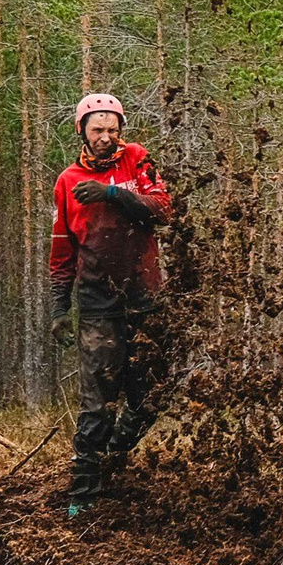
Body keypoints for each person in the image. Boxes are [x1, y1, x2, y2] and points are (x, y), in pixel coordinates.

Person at [47, 92, 171, 512]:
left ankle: (115, 460)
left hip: (145, 295)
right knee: (98, 399)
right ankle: (83, 496)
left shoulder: (137, 159)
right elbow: (62, 247)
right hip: (97, 300)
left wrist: (112, 194)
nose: (106, 137)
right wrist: (59, 309)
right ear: (82, 131)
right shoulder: (67, 180)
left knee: (151, 393)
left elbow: (162, 209)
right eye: (97, 130)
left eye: (112, 129)